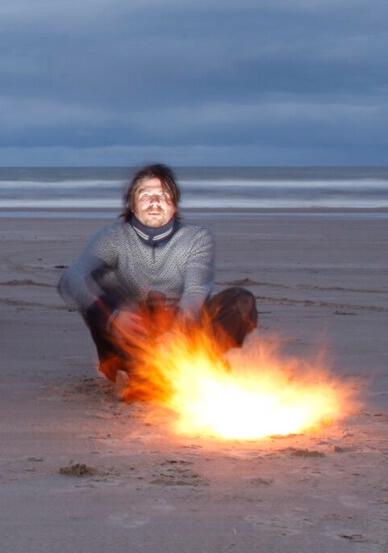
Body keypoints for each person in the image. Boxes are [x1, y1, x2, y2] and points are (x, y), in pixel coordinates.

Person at [56, 163, 257, 393]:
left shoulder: (195, 238)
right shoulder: (114, 237)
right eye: (145, 195)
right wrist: (114, 317)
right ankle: (139, 374)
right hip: (131, 335)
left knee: (240, 301)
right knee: (94, 298)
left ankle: (189, 368)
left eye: (163, 195)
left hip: (181, 337)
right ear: (132, 204)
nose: (154, 201)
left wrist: (177, 332)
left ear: (174, 204)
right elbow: (72, 278)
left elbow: (195, 291)